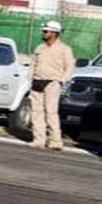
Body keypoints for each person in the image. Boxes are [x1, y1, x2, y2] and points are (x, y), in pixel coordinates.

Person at [28, 20, 75, 150]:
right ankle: (39, 139)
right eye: (44, 31)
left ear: (54, 33)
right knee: (36, 112)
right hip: (37, 81)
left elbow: (70, 67)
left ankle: (55, 141)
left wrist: (61, 81)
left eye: (46, 31)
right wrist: (30, 78)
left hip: (52, 82)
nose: (43, 33)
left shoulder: (64, 49)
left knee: (51, 112)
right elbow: (33, 64)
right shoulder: (40, 48)